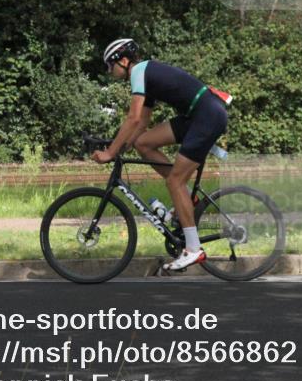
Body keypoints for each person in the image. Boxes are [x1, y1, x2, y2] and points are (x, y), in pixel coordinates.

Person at [91, 38, 229, 271]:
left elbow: (133, 118)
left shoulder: (138, 72)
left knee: (175, 181)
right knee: (143, 144)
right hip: (198, 115)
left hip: (206, 117)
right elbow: (142, 123)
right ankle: (186, 197)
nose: (108, 71)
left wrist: (110, 152)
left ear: (123, 61)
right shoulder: (146, 74)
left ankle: (193, 249)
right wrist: (124, 147)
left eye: (109, 65)